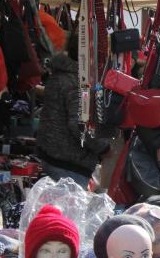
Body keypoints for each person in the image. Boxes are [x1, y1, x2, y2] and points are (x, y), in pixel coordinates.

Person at [36, 35, 108, 189]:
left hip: (55, 156)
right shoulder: (76, 82)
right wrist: (104, 148)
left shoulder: (61, 75)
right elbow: (79, 125)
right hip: (67, 162)